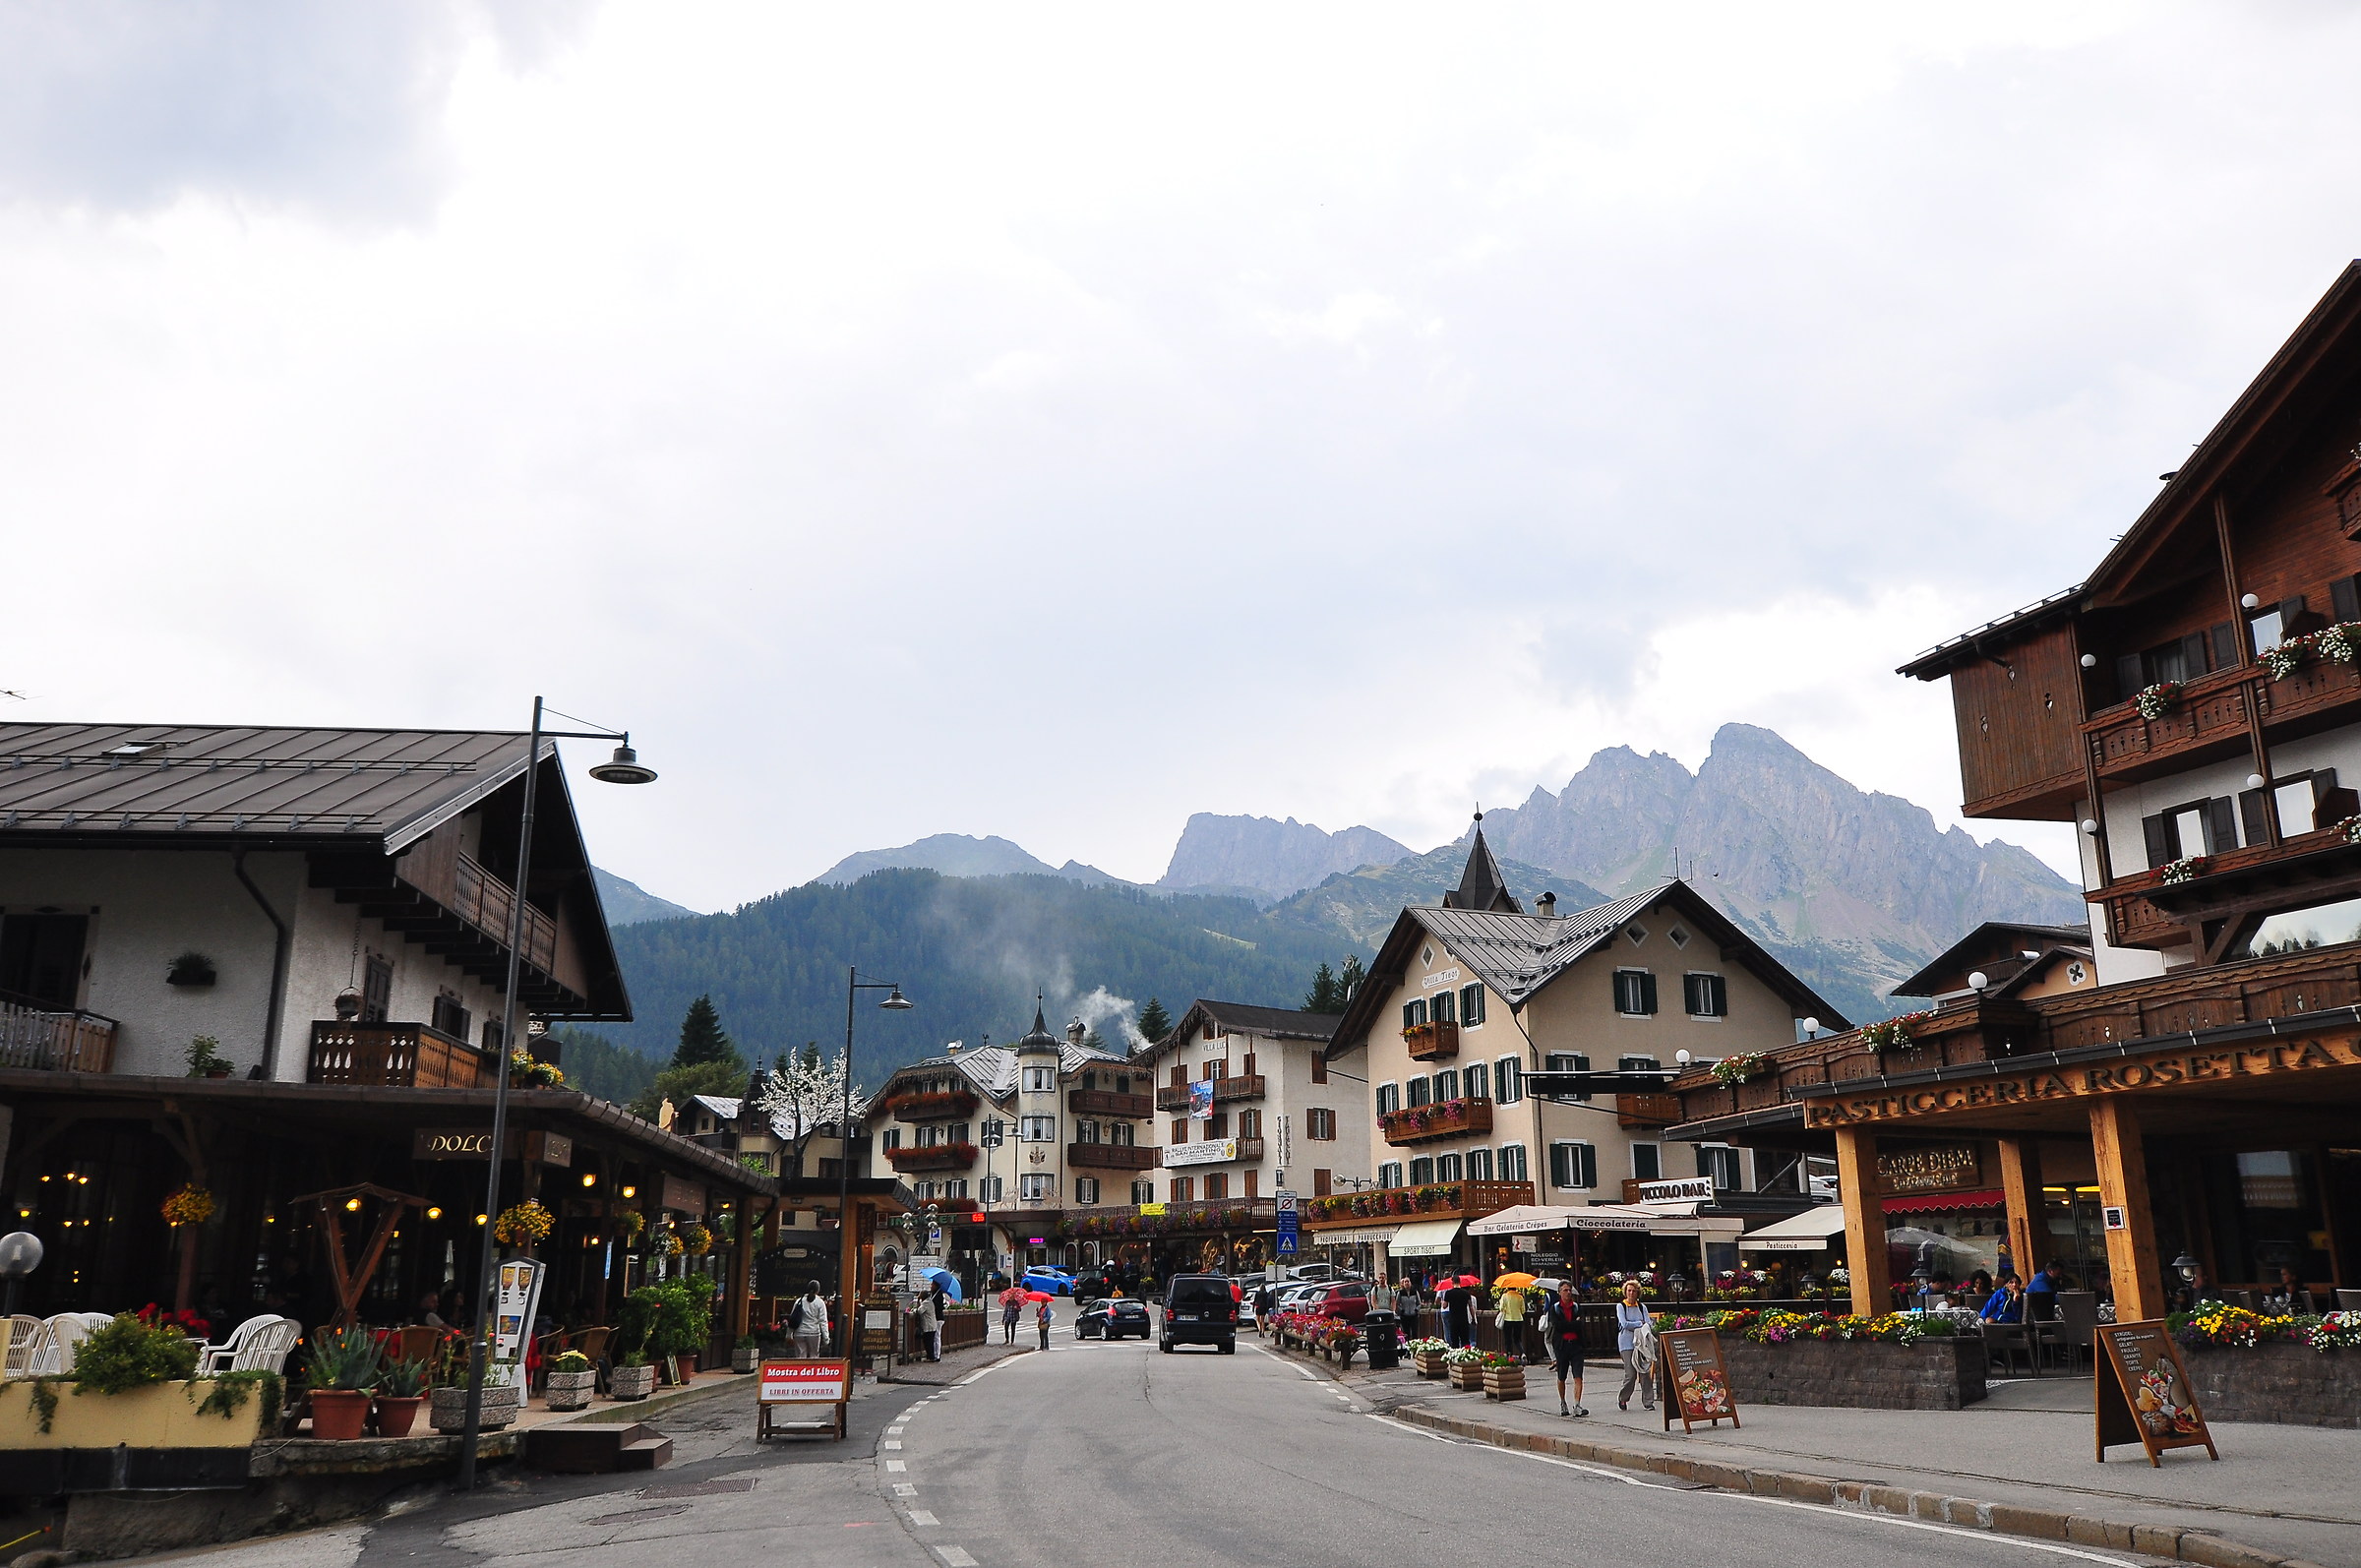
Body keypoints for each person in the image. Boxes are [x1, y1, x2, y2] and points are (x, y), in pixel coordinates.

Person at [1542, 1281, 1588, 1417]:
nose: (1568, 1293)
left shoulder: (1577, 1307)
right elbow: (1558, 1326)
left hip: (1576, 1345)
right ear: (1559, 1292)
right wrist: (1573, 1324)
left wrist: (1570, 1325)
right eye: (1565, 1290)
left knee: (1578, 1376)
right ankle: (1563, 1402)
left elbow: (1581, 1324)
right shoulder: (1555, 1309)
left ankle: (1577, 1405)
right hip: (1561, 1346)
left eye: (1569, 1290)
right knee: (1561, 1376)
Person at [1614, 1280, 1655, 1411]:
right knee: (1631, 1374)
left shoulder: (1642, 1307)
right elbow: (1625, 1324)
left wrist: (1641, 1324)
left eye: (1634, 1291)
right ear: (1625, 1292)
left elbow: (1648, 1323)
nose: (1631, 1293)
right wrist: (1639, 1323)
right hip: (1626, 1343)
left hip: (1641, 1343)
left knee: (1644, 1372)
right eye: (1629, 1291)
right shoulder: (1621, 1306)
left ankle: (1648, 1401)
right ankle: (1623, 1398)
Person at [789, 1281, 830, 1358]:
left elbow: (792, 1318)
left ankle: (801, 1366)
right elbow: (823, 1321)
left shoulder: (799, 1301)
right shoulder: (820, 1303)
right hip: (814, 1333)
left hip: (799, 1332)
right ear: (818, 1290)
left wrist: (789, 1334)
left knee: (800, 1357)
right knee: (814, 1357)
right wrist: (826, 1338)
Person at [1497, 1282, 1528, 1361]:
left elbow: (1501, 1308)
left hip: (1508, 1319)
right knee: (1517, 1339)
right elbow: (1523, 1310)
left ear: (1508, 1288)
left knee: (1508, 1338)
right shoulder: (1520, 1297)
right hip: (1519, 1319)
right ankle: (1522, 1353)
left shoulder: (1504, 1296)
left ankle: (1509, 1355)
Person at [913, 1287, 941, 1362]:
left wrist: (917, 1301)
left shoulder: (926, 1303)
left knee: (927, 1342)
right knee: (930, 1341)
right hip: (932, 1325)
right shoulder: (930, 1302)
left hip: (929, 1326)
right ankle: (931, 1356)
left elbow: (919, 1311)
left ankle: (931, 1357)